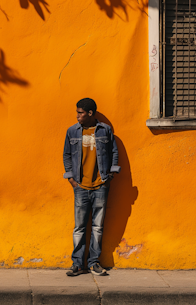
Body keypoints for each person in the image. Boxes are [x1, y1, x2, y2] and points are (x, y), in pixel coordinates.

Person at [63, 98, 120, 276]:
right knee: (79, 227)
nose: (77, 116)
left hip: (100, 185)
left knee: (97, 226)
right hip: (80, 185)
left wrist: (110, 175)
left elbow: (113, 152)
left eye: (80, 112)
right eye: (77, 112)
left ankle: (94, 263)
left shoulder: (105, 130)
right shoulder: (72, 131)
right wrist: (71, 179)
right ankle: (78, 264)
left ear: (90, 113)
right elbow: (66, 155)